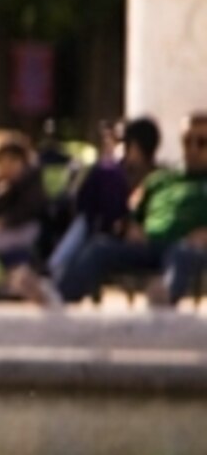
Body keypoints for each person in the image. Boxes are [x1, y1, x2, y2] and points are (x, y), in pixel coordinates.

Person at [54, 112, 207, 308]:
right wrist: (132, 228)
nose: (192, 149)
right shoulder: (160, 180)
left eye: (202, 143)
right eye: (187, 142)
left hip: (189, 246)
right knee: (100, 247)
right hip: (148, 244)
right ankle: (58, 295)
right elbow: (131, 215)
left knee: (182, 253)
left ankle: (165, 295)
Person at [0, 131, 52, 302]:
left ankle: (18, 280)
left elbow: (29, 209)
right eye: (1, 161)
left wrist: (4, 222)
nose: (7, 165)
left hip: (24, 228)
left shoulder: (31, 181)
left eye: (13, 160)